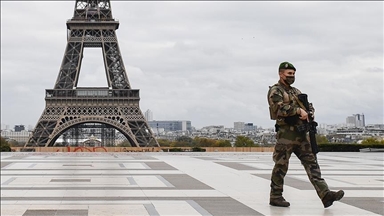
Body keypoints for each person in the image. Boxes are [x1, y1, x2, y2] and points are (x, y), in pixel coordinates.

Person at [267, 61, 344, 208]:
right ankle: (275, 196)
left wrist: (309, 112)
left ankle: (325, 194)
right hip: (286, 135)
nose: (292, 76)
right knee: (281, 166)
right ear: (280, 74)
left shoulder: (295, 92)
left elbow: (308, 105)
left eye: (293, 74)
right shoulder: (276, 91)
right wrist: (297, 111)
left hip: (301, 134)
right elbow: (278, 108)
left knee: (312, 164)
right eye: (289, 74)